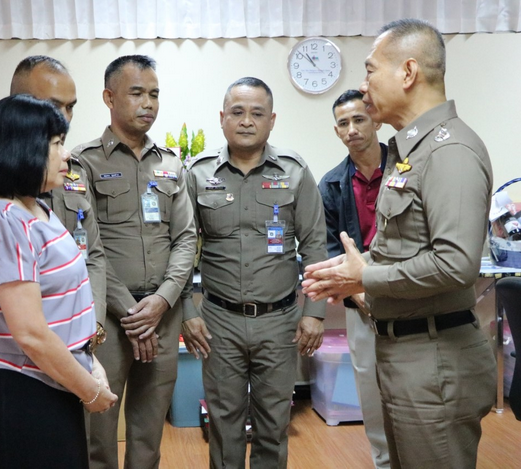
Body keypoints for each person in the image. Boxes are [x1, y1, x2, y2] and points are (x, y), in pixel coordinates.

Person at [302, 19, 496, 469]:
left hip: (434, 359)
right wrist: (351, 272)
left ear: (408, 72)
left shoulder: (448, 150)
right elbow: (408, 247)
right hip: (405, 352)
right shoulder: (412, 152)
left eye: (370, 70)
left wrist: (365, 275)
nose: (363, 85)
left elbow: (455, 264)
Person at [0, 94, 117, 469]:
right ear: (24, 149)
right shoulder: (5, 221)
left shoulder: (36, 207)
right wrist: (89, 390)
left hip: (52, 381)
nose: (66, 155)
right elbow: (31, 333)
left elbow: (60, 305)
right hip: (22, 391)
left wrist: (89, 362)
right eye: (56, 144)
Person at [183, 77, 327, 468]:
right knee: (223, 423)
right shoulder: (197, 173)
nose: (246, 121)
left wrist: (314, 313)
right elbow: (181, 249)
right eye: (237, 112)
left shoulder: (295, 171)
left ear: (271, 120)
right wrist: (186, 311)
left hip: (280, 321)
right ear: (222, 118)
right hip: (219, 321)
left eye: (257, 113)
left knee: (274, 424)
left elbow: (315, 246)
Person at [74, 55, 196, 469]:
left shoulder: (171, 163)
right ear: (109, 98)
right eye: (137, 93)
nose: (148, 103)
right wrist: (131, 313)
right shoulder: (83, 162)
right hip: (108, 319)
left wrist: (161, 302)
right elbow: (86, 248)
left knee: (149, 432)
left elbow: (186, 238)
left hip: (163, 314)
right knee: (98, 431)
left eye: (154, 94)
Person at [0, 56, 108, 339]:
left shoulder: (70, 171)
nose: (64, 117)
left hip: (76, 336)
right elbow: (13, 299)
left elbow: (92, 253)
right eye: (53, 106)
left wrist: (93, 324)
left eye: (70, 107)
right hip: (33, 347)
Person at [318, 89, 390, 469]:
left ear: (375, 120)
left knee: (413, 391)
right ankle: (383, 462)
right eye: (343, 123)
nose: (352, 129)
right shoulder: (331, 184)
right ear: (336, 131)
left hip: (408, 293)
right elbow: (331, 248)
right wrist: (360, 295)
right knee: (371, 392)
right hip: (360, 305)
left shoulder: (407, 168)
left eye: (359, 119)